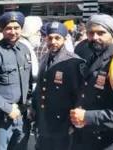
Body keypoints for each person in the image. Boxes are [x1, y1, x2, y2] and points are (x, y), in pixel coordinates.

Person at [70, 14, 113, 150]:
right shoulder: (93, 57)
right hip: (89, 139)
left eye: (101, 33)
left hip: (112, 142)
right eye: (91, 33)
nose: (95, 37)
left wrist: (88, 117)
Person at [0, 11, 32, 150]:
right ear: (2, 30)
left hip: (23, 116)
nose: (13, 32)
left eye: (16, 28)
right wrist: (7, 108)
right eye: (8, 28)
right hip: (2, 117)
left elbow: (28, 83)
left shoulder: (25, 49)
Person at [33, 22, 84, 150]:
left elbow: (78, 94)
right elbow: (40, 87)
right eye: (50, 38)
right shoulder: (45, 57)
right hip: (44, 120)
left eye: (57, 38)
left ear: (65, 39)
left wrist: (72, 124)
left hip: (62, 122)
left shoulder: (73, 62)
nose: (53, 42)